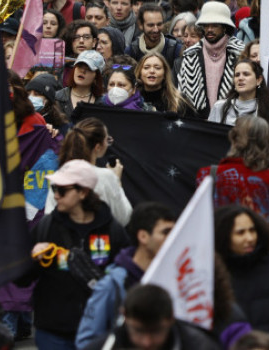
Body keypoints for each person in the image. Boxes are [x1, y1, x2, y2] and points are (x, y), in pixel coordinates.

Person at [29, 160, 130, 350]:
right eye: (54, 188)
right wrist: (32, 260)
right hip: (53, 333)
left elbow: (127, 276)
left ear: (83, 192)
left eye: (62, 190)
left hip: (99, 332)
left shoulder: (112, 230)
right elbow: (22, 279)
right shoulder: (45, 228)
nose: (56, 195)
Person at [76, 202, 177, 349]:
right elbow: (87, 340)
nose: (173, 238)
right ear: (143, 236)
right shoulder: (112, 285)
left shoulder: (176, 278)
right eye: (166, 232)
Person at [197, 116, 269, 217]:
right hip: (266, 235)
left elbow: (197, 217)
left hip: (218, 235)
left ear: (234, 140)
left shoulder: (208, 175)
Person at [215, 206, 269, 332]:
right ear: (224, 235)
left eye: (252, 230)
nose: (250, 238)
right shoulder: (215, 273)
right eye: (240, 233)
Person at [43, 118, 132, 225]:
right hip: (98, 240)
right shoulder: (106, 177)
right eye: (107, 140)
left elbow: (48, 216)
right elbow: (123, 217)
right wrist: (116, 181)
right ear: (98, 147)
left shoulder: (59, 176)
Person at [85, 283, 219, 350]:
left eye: (156, 331)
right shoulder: (102, 348)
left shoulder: (202, 346)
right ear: (124, 316)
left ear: (171, 318)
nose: (147, 342)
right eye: (138, 331)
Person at [177, 1, 245, 117]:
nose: (209, 29)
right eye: (206, 25)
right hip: (197, 123)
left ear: (224, 27)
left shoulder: (240, 54)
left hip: (231, 122)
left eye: (214, 25)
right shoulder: (190, 55)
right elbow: (182, 95)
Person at [210, 59, 269, 133]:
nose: (240, 78)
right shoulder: (219, 107)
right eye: (237, 75)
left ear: (258, 80)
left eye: (246, 74)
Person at [125, 4, 183, 74]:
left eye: (159, 24)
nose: (156, 29)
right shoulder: (131, 51)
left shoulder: (176, 49)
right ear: (140, 25)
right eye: (151, 25)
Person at [53, 49, 105, 119]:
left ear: (96, 76)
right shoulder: (57, 97)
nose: (82, 71)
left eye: (89, 68)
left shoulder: (102, 103)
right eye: (79, 66)